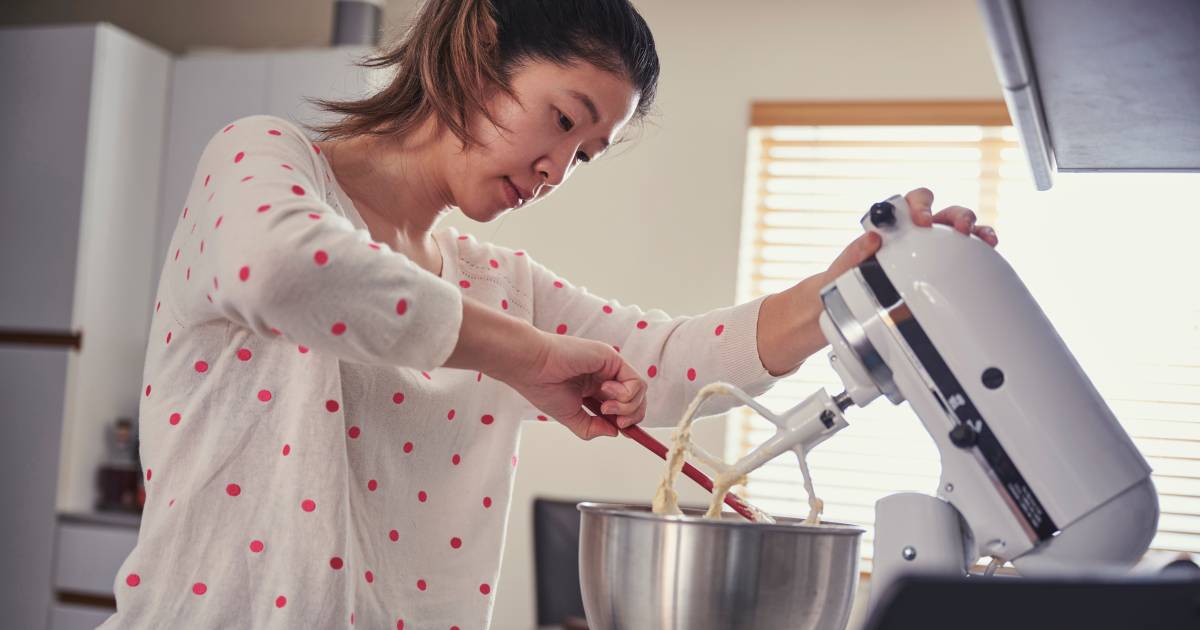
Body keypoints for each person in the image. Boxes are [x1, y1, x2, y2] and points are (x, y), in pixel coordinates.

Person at [103, 0, 998, 628]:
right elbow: (284, 272)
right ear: (477, 52)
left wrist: (846, 290)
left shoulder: (499, 282)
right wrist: (521, 356)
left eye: (586, 154)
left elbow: (675, 360)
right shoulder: (265, 160)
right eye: (561, 120)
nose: (555, 171)